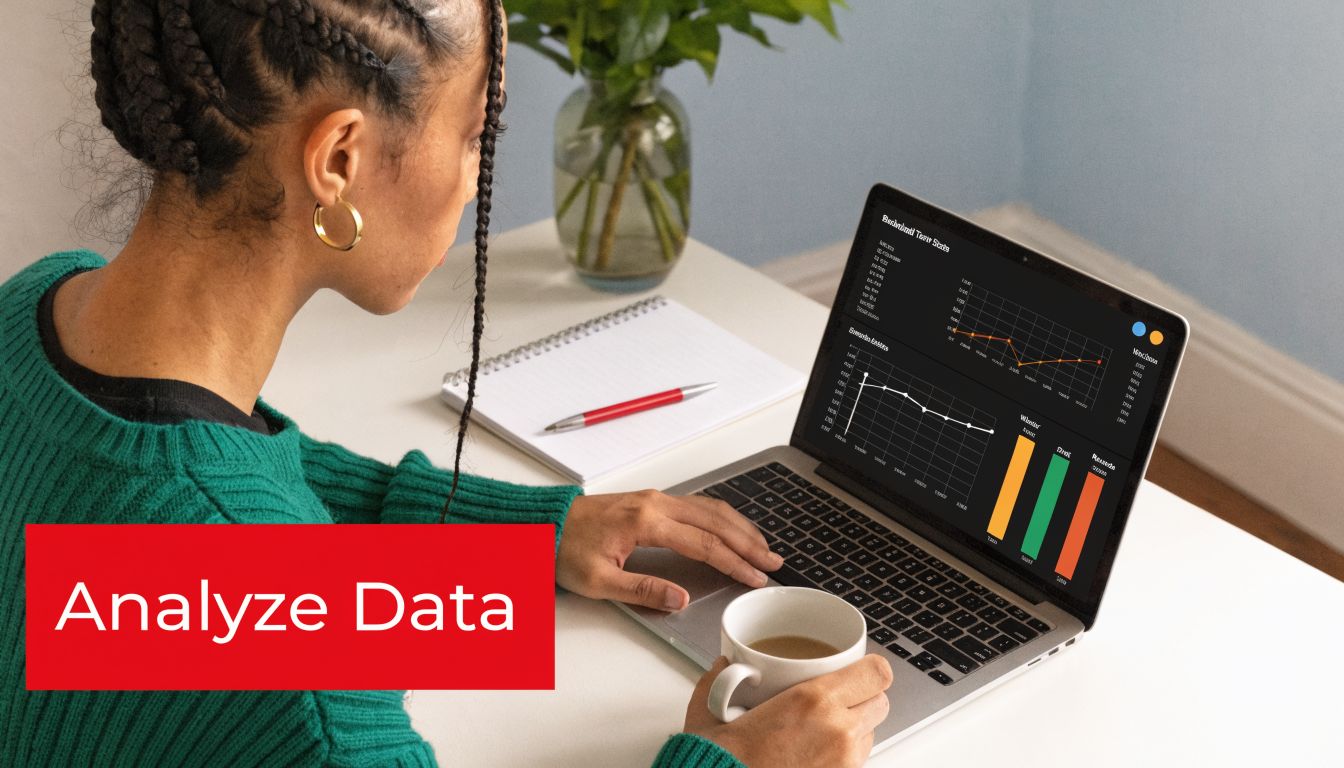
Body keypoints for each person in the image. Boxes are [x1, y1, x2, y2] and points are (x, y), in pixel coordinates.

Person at [0, 0, 893, 765]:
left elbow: (228, 503)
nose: (474, 178)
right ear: (338, 159)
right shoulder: (309, 700)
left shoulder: (34, 311)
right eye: (475, 136)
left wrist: (530, 539)